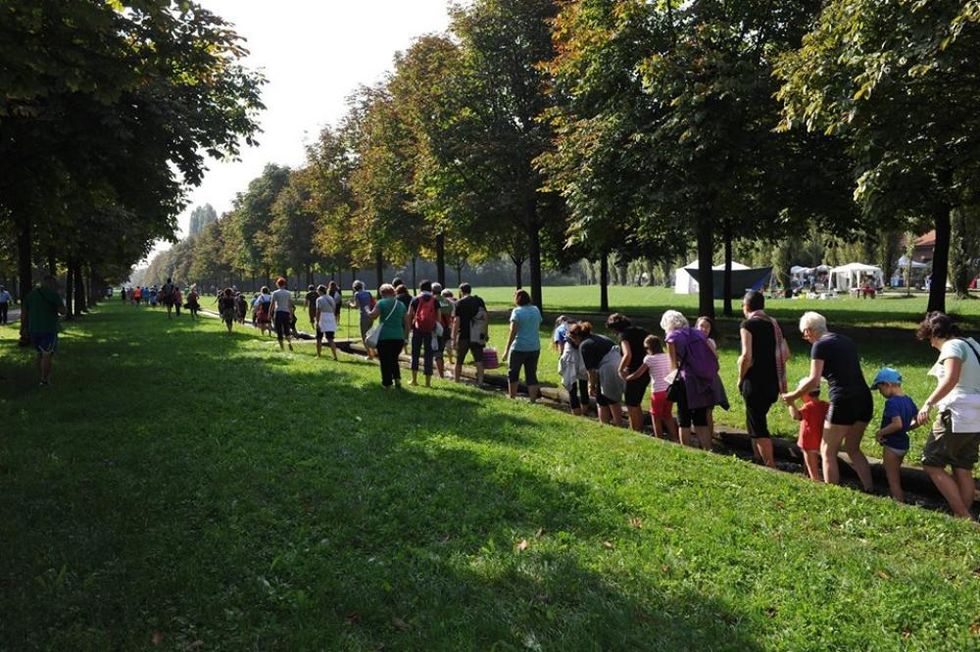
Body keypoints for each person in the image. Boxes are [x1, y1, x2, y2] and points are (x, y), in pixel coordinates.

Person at [781, 311, 874, 492]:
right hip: (864, 399)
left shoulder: (819, 345)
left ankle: (832, 492)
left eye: (805, 334)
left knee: (827, 449)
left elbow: (814, 380)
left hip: (843, 400)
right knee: (853, 448)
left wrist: (793, 395)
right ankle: (870, 489)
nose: (805, 338)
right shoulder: (846, 340)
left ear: (809, 331)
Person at [914, 312, 980, 518]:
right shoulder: (973, 344)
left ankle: (961, 514)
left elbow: (950, 379)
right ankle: (965, 514)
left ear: (936, 334)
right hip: (976, 413)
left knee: (931, 462)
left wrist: (928, 403)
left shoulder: (952, 346)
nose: (932, 345)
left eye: (930, 339)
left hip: (957, 412)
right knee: (962, 466)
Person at [737, 292, 788, 468]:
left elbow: (747, 357)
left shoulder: (747, 325)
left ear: (746, 306)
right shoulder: (774, 324)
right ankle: (757, 457)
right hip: (773, 381)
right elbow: (785, 353)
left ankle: (770, 464)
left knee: (758, 425)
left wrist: (740, 378)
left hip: (754, 382)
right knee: (754, 418)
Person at [661, 310, 719, 450]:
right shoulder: (697, 333)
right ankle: (707, 449)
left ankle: (686, 449)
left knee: (684, 418)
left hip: (686, 380)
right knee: (701, 419)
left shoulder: (671, 337)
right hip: (703, 379)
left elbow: (673, 365)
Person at [871, 367, 918, 503]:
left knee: (893, 479)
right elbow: (918, 419)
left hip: (892, 446)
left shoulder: (891, 402)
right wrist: (906, 428)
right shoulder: (908, 400)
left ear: (888, 384)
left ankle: (899, 502)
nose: (880, 393)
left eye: (880, 389)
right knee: (896, 473)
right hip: (903, 444)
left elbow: (896, 424)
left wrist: (880, 432)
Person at [567, 321, 623, 425]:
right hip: (617, 362)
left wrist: (591, 386)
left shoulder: (584, 345)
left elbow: (591, 371)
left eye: (572, 339)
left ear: (577, 336)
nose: (573, 342)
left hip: (609, 367)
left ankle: (618, 424)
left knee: (611, 398)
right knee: (601, 398)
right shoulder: (596, 337)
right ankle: (604, 423)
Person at [626, 335, 678, 441]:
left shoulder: (649, 359)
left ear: (649, 348)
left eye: (646, 348)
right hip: (669, 390)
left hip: (658, 392)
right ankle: (675, 437)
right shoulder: (668, 356)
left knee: (655, 415)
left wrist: (627, 377)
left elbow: (638, 374)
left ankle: (658, 438)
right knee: (667, 414)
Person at [607, 313, 650, 432]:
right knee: (636, 402)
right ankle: (639, 428)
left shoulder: (624, 335)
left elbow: (627, 354)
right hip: (645, 370)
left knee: (631, 404)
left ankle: (635, 429)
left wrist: (620, 369)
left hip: (633, 372)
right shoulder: (642, 331)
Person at [23, 275, 66, 386]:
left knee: (40, 353)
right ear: (51, 284)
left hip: (33, 329)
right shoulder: (53, 295)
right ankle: (45, 380)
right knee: (47, 354)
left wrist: (23, 328)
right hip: (49, 328)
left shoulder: (30, 295)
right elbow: (63, 311)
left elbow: (24, 314)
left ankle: (42, 376)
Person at [503, 289, 542, 401]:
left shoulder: (517, 312)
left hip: (519, 347)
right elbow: (537, 325)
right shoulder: (536, 310)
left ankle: (512, 397)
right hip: (534, 347)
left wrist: (507, 349)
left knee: (513, 373)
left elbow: (513, 331)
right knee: (531, 374)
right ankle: (533, 399)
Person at [368, 283, 409, 389]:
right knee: (394, 359)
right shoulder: (401, 305)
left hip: (384, 337)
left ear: (382, 293)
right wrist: (406, 337)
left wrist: (367, 311)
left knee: (385, 361)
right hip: (399, 336)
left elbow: (373, 316)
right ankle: (397, 379)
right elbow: (407, 322)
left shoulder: (381, 303)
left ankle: (387, 384)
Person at [787, 378, 828, 482]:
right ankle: (810, 475)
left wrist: (790, 403)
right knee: (818, 461)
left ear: (805, 394)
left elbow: (796, 416)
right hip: (821, 439)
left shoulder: (808, 407)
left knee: (812, 465)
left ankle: (815, 480)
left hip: (808, 441)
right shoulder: (825, 405)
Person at [452, 283, 488, 386]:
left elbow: (456, 322)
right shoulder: (479, 301)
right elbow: (485, 317)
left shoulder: (458, 303)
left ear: (461, 291)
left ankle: (457, 380)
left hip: (463, 335)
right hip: (477, 334)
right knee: (479, 360)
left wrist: (454, 339)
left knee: (459, 360)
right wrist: (485, 333)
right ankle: (480, 381)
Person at [406, 280, 441, 387]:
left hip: (417, 329)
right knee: (428, 355)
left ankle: (414, 380)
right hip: (430, 330)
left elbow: (409, 315)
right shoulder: (434, 300)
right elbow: (438, 317)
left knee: (415, 353)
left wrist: (410, 327)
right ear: (430, 288)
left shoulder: (415, 299)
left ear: (420, 288)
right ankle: (427, 382)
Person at [558, 325, 590, 416]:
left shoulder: (585, 342)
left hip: (581, 362)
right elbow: (565, 356)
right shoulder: (568, 342)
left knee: (583, 387)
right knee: (572, 389)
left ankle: (583, 412)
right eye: (574, 338)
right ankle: (576, 413)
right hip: (570, 362)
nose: (576, 340)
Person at [431, 282, 453, 378]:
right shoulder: (447, 301)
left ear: (432, 291)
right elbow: (450, 315)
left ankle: (440, 374)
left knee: (437, 353)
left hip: (434, 329)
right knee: (442, 349)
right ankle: (442, 372)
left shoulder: (431, 301)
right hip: (446, 328)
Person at [349, 281, 375, 358]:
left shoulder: (357, 294)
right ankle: (373, 352)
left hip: (363, 316)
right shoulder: (368, 292)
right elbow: (372, 303)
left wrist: (350, 304)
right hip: (371, 315)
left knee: (364, 336)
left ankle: (370, 355)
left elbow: (356, 306)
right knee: (370, 334)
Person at [314, 284, 339, 360]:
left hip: (323, 317)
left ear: (320, 291)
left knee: (319, 338)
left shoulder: (319, 299)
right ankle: (335, 356)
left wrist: (317, 322)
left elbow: (318, 311)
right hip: (331, 318)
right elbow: (334, 309)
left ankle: (319, 355)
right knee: (330, 338)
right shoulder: (331, 298)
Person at [269, 277, 294, 351]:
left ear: (277, 284)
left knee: (279, 330)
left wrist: (269, 313)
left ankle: (282, 347)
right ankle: (289, 343)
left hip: (278, 312)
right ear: (284, 284)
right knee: (287, 329)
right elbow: (290, 305)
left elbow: (272, 304)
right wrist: (291, 314)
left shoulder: (275, 293)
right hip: (286, 312)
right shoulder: (288, 293)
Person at [439, 287, 456, 367]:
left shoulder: (439, 302)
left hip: (440, 326)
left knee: (440, 345)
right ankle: (450, 360)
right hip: (449, 326)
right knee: (448, 343)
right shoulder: (453, 303)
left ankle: (439, 361)